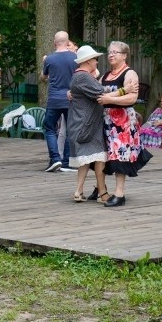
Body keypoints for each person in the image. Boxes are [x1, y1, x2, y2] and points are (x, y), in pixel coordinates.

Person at [96, 41, 152, 207]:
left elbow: (132, 98)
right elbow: (97, 93)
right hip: (106, 120)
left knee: (121, 156)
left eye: (116, 52)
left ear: (125, 55)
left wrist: (109, 99)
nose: (111, 55)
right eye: (110, 52)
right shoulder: (105, 76)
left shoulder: (130, 74)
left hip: (123, 123)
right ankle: (100, 188)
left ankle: (119, 194)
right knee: (103, 155)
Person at [67, 46, 109, 203]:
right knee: (99, 157)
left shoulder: (79, 76)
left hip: (84, 123)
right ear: (88, 60)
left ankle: (79, 190)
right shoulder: (83, 77)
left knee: (85, 158)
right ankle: (102, 193)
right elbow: (101, 92)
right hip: (88, 125)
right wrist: (124, 91)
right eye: (95, 59)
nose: (97, 62)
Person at [40, 31, 77, 172]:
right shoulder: (75, 58)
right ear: (68, 42)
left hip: (54, 99)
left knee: (49, 128)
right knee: (69, 130)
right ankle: (67, 162)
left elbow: (43, 77)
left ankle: (55, 159)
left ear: (54, 42)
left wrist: (45, 67)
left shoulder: (49, 59)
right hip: (70, 99)